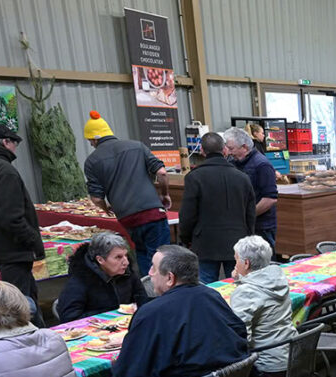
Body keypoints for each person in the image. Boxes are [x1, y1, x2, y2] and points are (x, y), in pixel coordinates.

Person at [112, 245, 248, 377]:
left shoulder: (152, 313)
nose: (149, 273)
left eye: (153, 267)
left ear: (170, 278)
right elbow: (240, 334)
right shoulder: (212, 296)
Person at [82, 111, 171, 276]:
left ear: (94, 139)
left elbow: (96, 197)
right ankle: (163, 294)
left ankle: (148, 293)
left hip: (127, 217)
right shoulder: (137, 146)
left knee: (143, 254)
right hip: (152, 212)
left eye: (90, 141)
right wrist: (165, 194)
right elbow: (162, 173)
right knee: (161, 257)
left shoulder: (92, 161)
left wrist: (106, 208)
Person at [0, 122, 45, 327]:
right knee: (19, 306)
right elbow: (10, 217)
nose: (16, 148)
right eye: (14, 142)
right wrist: (32, 240)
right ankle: (33, 344)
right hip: (13, 250)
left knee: (14, 301)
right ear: (6, 142)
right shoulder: (3, 170)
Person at [227, 235, 295, 377]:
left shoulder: (246, 292)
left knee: (228, 360)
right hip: (291, 356)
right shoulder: (279, 278)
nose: (235, 263)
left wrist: (241, 285)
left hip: (271, 367)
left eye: (236, 259)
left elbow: (241, 338)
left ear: (246, 263)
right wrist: (242, 280)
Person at [178, 132, 257, 284]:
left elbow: (188, 214)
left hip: (205, 243)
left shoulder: (194, 177)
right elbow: (251, 213)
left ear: (202, 151)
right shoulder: (242, 177)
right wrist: (248, 237)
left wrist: (186, 239)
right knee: (238, 286)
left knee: (207, 289)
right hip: (237, 242)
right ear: (225, 150)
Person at [58, 232, 149, 322]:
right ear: (100, 260)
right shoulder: (79, 281)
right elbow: (69, 318)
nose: (126, 262)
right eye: (118, 257)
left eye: (125, 255)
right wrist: (111, 314)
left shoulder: (127, 273)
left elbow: (142, 301)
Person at [224, 126, 279, 250]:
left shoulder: (262, 165)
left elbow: (270, 199)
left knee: (263, 265)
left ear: (244, 147)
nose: (230, 152)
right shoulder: (232, 164)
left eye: (232, 148)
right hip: (241, 226)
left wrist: (248, 215)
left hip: (261, 227)